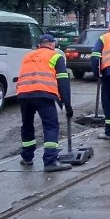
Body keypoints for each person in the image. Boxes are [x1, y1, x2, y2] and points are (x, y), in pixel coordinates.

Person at [16, 34, 73, 172]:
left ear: (40, 44)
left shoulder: (28, 56)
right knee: (51, 126)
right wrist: (67, 103)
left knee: (27, 125)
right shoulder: (56, 56)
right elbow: (63, 81)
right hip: (44, 94)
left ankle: (27, 157)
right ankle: (50, 161)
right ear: (53, 44)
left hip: (24, 94)